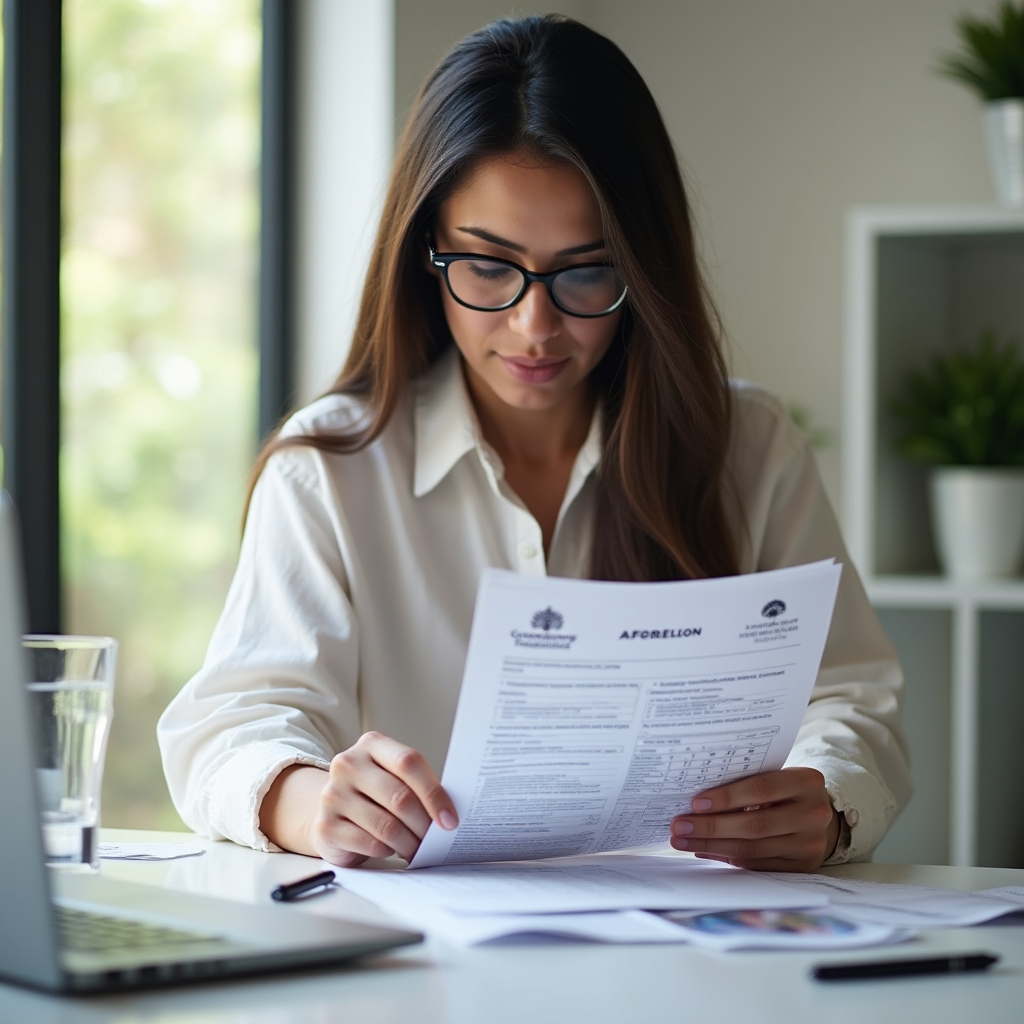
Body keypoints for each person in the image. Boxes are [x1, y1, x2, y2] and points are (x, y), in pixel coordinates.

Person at [158, 15, 910, 872]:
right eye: (488, 267)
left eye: (587, 270)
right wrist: (310, 802)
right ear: (425, 253)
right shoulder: (329, 469)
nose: (535, 325)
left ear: (642, 266)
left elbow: (853, 699)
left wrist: (826, 798)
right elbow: (235, 725)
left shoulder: (752, 449)